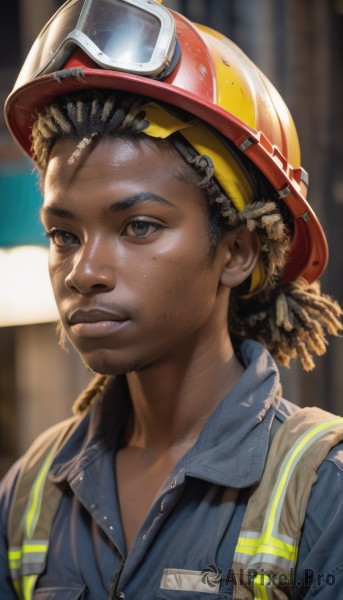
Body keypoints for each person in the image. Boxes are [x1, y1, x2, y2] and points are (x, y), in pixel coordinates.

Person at [1, 1, 343, 598]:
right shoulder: (31, 495)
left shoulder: (323, 495)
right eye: (64, 235)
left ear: (235, 251)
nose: (83, 272)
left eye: (138, 226)